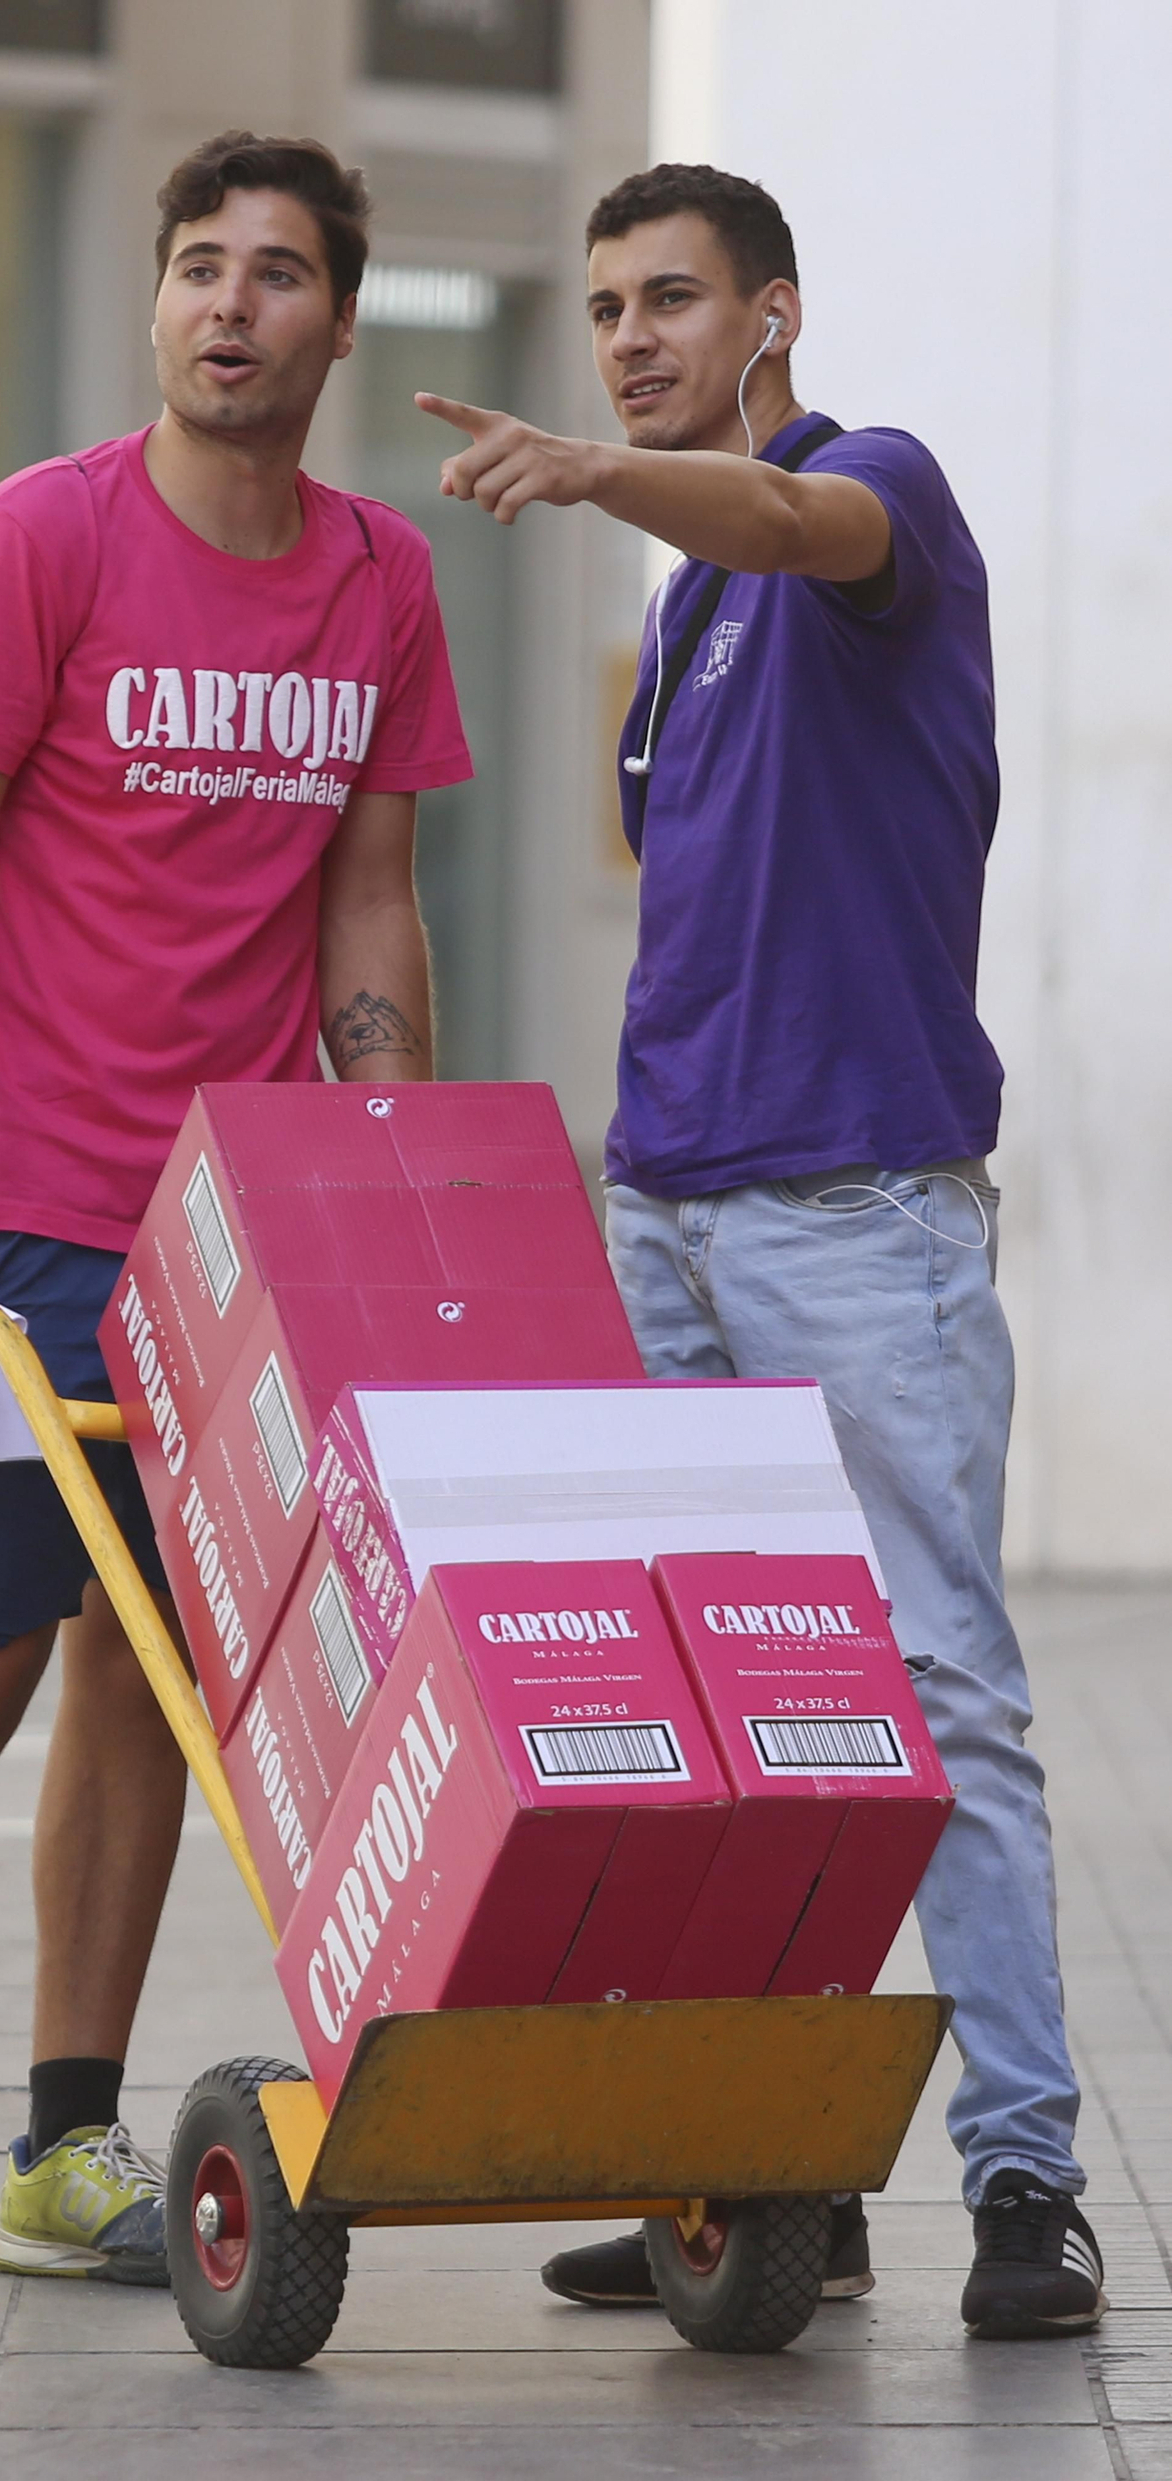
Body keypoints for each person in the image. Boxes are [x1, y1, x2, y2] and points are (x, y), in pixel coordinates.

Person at [0, 130, 470, 2306]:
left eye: (277, 272)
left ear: (337, 324)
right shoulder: (36, 543)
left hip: (235, 1238)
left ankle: (67, 2139)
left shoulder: (377, 579)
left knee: (151, 1680)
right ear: (156, 301)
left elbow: (370, 895)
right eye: (197, 267)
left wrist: (386, 1172)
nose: (229, 304)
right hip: (34, 1225)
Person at [419, 162, 1104, 2343]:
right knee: (726, 1713)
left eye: (672, 300)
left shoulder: (868, 492)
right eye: (606, 308)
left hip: (858, 1217)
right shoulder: (677, 616)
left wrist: (600, 470)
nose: (628, 337)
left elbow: (803, 523)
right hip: (671, 1216)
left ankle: (1027, 2178)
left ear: (772, 314)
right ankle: (756, 2165)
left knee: (937, 1691)